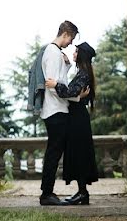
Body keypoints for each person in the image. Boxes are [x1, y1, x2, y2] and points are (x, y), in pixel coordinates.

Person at [45, 41, 99, 205]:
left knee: (80, 154)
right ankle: (82, 192)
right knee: (78, 154)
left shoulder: (83, 74)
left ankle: (83, 193)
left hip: (78, 119)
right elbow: (74, 92)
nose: (73, 54)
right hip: (76, 118)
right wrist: (67, 66)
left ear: (81, 55)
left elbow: (70, 92)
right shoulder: (83, 72)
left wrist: (55, 84)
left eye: (75, 52)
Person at [36, 20, 78, 206]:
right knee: (53, 153)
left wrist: (67, 66)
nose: (71, 43)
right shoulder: (52, 53)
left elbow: (59, 80)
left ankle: (47, 192)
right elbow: (52, 86)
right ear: (66, 34)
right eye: (71, 39)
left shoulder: (56, 53)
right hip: (55, 110)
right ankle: (46, 194)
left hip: (57, 110)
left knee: (54, 152)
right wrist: (74, 96)